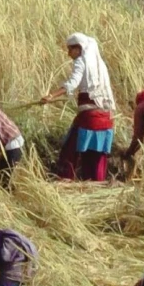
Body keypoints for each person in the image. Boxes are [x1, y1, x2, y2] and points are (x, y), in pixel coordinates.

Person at [46, 33, 117, 182]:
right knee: (96, 155)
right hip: (107, 118)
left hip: (90, 118)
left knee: (69, 150)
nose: (68, 54)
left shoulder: (81, 61)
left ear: (78, 48)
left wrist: (52, 95)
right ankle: (97, 185)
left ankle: (64, 181)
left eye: (70, 49)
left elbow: (73, 82)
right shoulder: (100, 64)